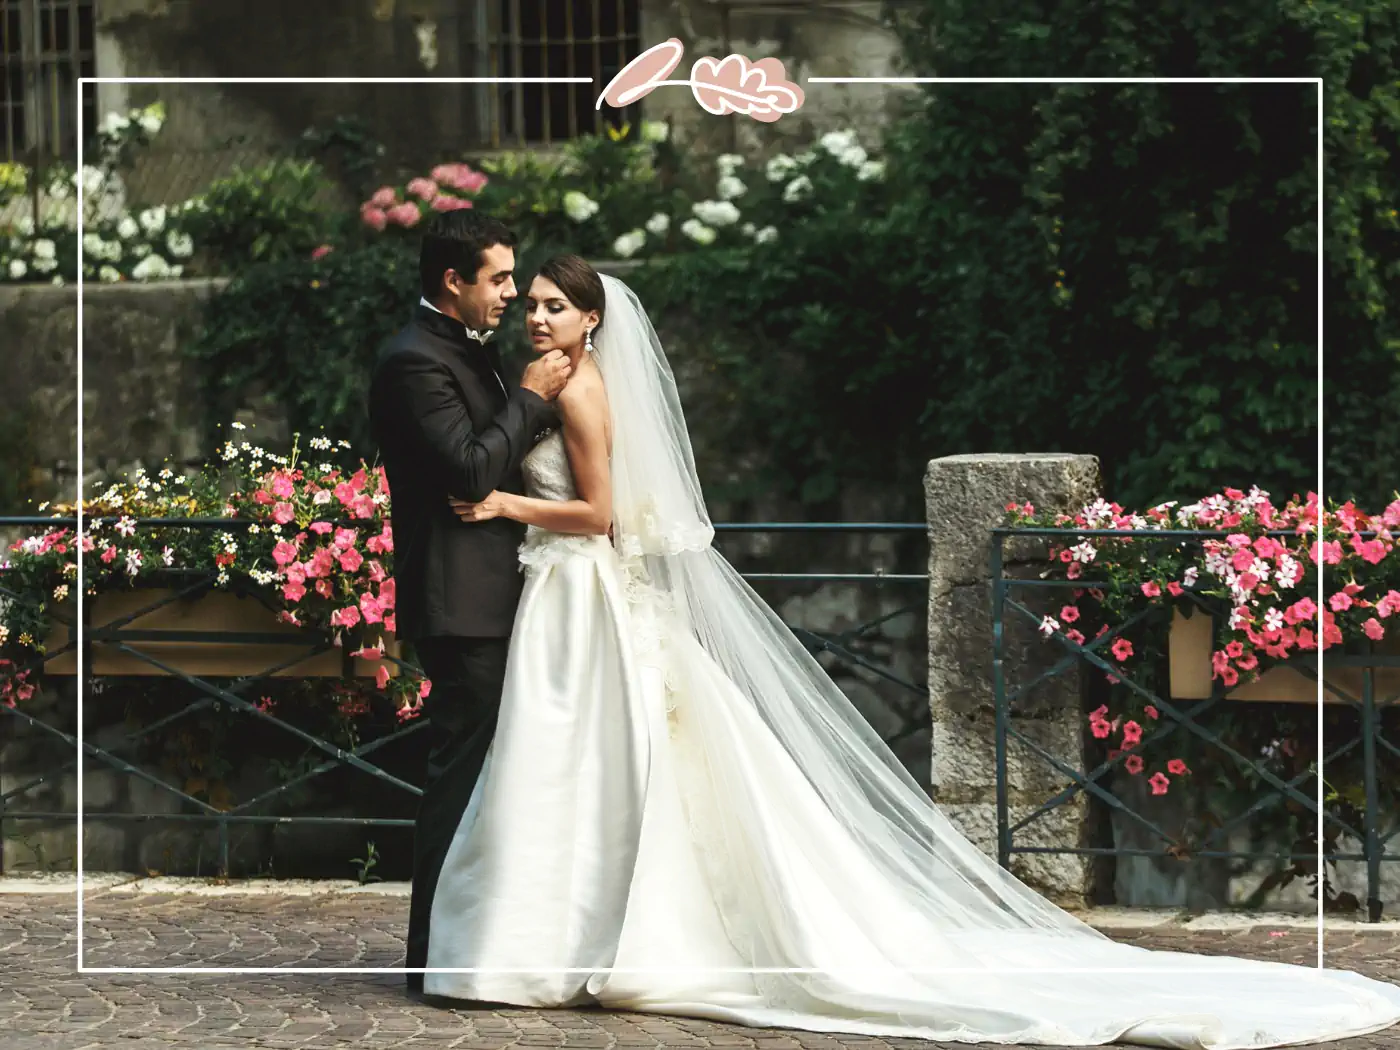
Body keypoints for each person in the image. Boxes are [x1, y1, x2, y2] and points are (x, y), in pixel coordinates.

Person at [422, 256, 1400, 1047]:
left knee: (593, 753)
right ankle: (559, 933)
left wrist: (505, 501)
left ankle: (601, 936)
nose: (536, 317)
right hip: (565, 598)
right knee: (573, 764)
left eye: (555, 305)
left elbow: (600, 514)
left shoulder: (581, 390)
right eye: (531, 305)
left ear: (593, 321)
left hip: (587, 591)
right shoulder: (545, 381)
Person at [366, 210, 571, 994]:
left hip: (512, 590)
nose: (513, 295)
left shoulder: (472, 354)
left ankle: (484, 942)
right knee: (460, 774)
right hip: (461, 605)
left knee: (503, 776)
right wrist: (528, 396)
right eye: (499, 280)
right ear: (453, 281)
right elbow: (468, 472)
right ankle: (432, 956)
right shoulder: (412, 363)